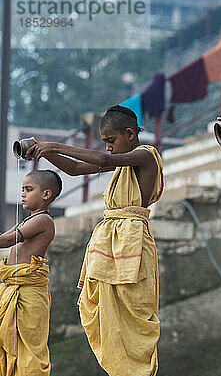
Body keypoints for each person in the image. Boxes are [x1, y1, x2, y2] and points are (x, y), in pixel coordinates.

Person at [27, 105, 164, 376]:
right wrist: (47, 152)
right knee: (107, 319)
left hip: (133, 245)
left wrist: (55, 144)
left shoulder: (145, 156)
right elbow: (77, 169)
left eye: (111, 141)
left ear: (130, 134)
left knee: (134, 320)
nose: (109, 148)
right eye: (105, 143)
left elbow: (102, 162)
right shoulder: (124, 160)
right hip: (112, 244)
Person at [0, 170, 61, 375]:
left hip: (28, 293)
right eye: (22, 190)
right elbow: (4, 238)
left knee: (29, 350)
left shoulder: (43, 221)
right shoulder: (27, 220)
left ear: (46, 195)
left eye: (29, 189)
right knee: (11, 346)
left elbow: (8, 241)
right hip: (14, 288)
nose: (23, 194)